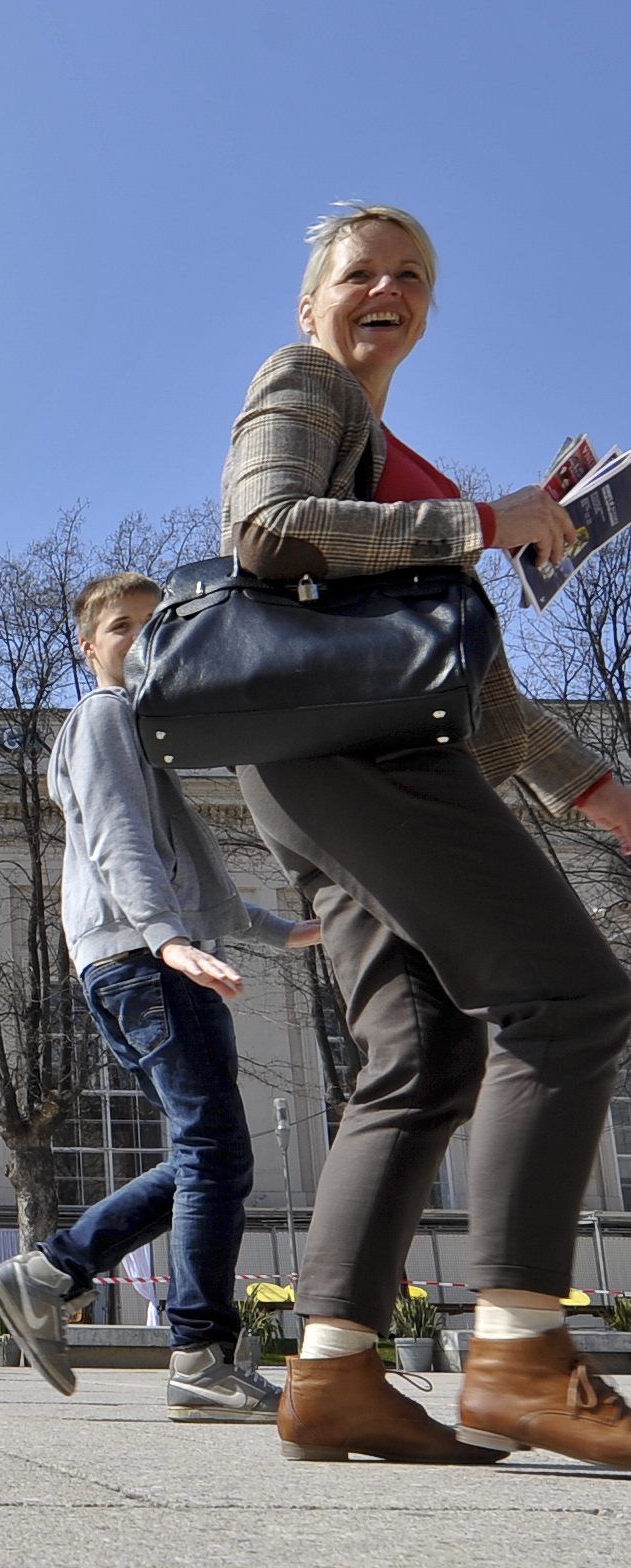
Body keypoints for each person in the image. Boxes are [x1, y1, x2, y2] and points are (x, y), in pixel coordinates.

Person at [224, 202, 631, 1465]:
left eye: (412, 276)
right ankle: (519, 1350)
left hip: (323, 759)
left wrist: (595, 790)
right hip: (351, 754)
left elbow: (479, 694)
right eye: (360, 272)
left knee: (423, 1055)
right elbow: (266, 524)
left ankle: (332, 1374)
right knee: (566, 999)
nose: (386, 288)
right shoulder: (301, 378)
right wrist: (477, 523)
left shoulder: (399, 460)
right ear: (312, 303)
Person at [0, 570, 320, 1420]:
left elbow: (175, 874)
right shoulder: (103, 719)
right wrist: (166, 938)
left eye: (152, 626)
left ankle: (49, 1273)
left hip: (134, 956)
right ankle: (197, 1351)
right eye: (120, 627)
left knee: (209, 1154)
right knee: (214, 1152)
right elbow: (119, 839)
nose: (137, 639)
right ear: (87, 647)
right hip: (143, 959)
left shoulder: (134, 732)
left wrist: (284, 932)